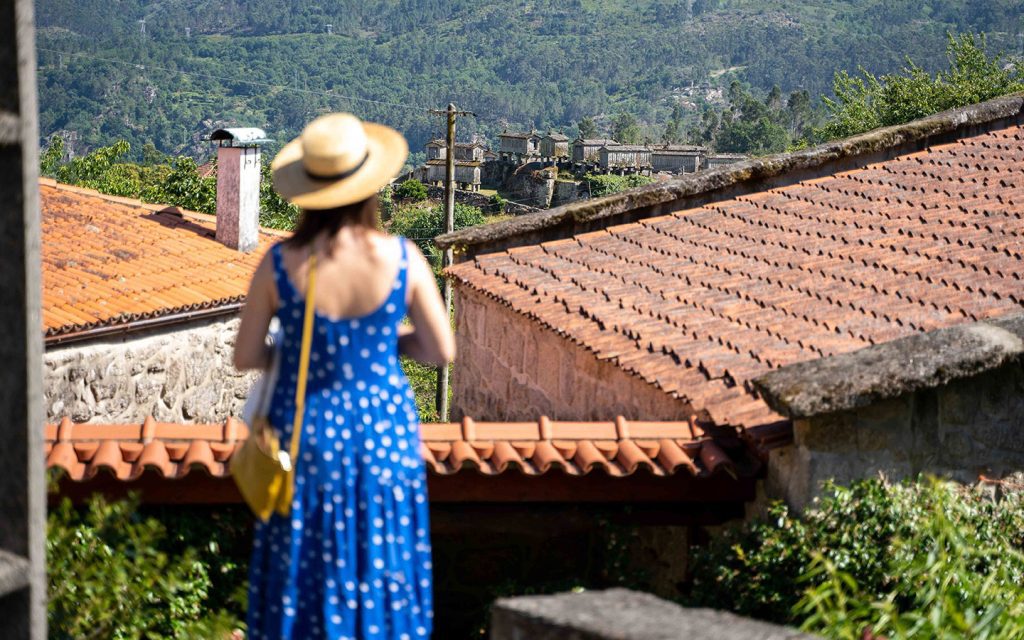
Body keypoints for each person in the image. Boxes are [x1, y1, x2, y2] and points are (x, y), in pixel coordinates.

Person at [233, 112, 455, 639]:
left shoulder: (281, 262)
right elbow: (439, 349)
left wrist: (304, 354)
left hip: (303, 435)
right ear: (368, 187)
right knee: (381, 560)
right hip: (384, 436)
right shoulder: (403, 257)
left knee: (303, 566)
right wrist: (377, 346)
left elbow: (245, 355)